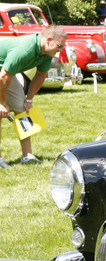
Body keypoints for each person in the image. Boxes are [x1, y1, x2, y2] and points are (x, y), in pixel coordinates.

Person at [0, 27, 67, 166]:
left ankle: (27, 155)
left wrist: (29, 99)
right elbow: (3, 77)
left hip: (5, 73)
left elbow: (41, 75)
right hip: (4, 74)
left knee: (22, 109)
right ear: (48, 40)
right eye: (59, 46)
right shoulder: (24, 50)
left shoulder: (47, 54)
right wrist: (1, 102)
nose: (61, 50)